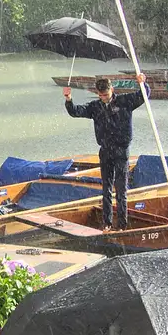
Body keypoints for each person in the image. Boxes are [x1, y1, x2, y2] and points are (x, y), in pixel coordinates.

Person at [63, 73, 147, 231]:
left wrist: (142, 83)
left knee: (121, 189)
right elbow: (75, 111)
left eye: (106, 95)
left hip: (121, 150)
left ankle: (122, 225)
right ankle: (107, 224)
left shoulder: (125, 101)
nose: (104, 98)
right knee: (106, 189)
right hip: (105, 150)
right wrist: (68, 98)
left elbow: (143, 95)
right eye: (101, 95)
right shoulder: (95, 107)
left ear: (112, 90)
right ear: (97, 94)